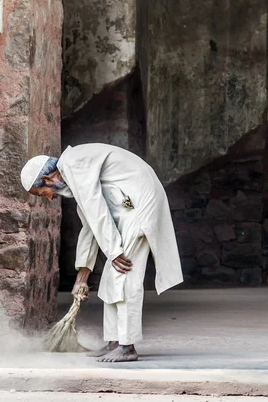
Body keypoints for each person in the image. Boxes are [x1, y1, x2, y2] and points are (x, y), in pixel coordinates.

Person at [20, 144, 183, 363]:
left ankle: (127, 347)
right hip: (129, 206)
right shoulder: (74, 173)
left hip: (139, 205)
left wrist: (114, 251)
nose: (49, 198)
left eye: (42, 193)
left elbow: (97, 212)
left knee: (124, 276)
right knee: (110, 278)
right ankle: (115, 342)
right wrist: (82, 278)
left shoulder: (73, 164)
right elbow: (90, 226)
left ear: (48, 178)